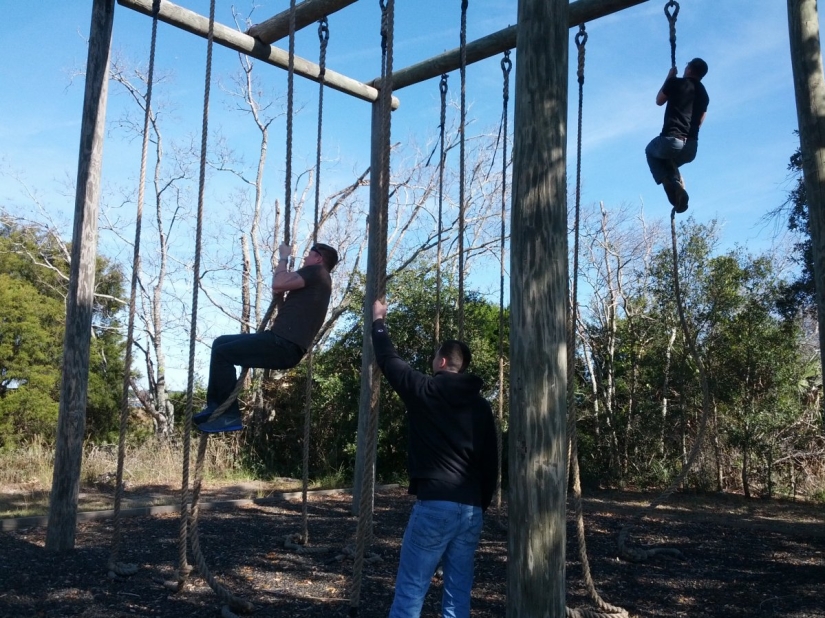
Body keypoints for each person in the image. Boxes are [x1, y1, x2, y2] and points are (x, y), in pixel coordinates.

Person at [371, 299, 498, 618]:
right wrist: (478, 506)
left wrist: (379, 320)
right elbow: (490, 463)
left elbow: (387, 359)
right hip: (470, 508)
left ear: (441, 362)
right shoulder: (482, 407)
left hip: (436, 504)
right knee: (458, 593)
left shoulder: (424, 390)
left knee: (412, 589)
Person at [195, 242, 339, 433]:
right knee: (220, 343)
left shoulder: (317, 272)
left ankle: (228, 416)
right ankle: (216, 407)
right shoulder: (318, 282)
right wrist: (280, 296)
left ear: (319, 258)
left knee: (223, 354)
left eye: (309, 254)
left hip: (284, 344)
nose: (305, 258)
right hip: (284, 343)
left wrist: (283, 257)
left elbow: (278, 282)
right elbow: (286, 305)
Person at [645, 57, 709, 214]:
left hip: (672, 140)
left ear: (688, 69)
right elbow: (701, 120)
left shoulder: (676, 83)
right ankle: (676, 185)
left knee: (650, 151)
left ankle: (669, 185)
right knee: (667, 162)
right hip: (691, 148)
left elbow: (659, 100)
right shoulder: (704, 94)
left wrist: (670, 76)